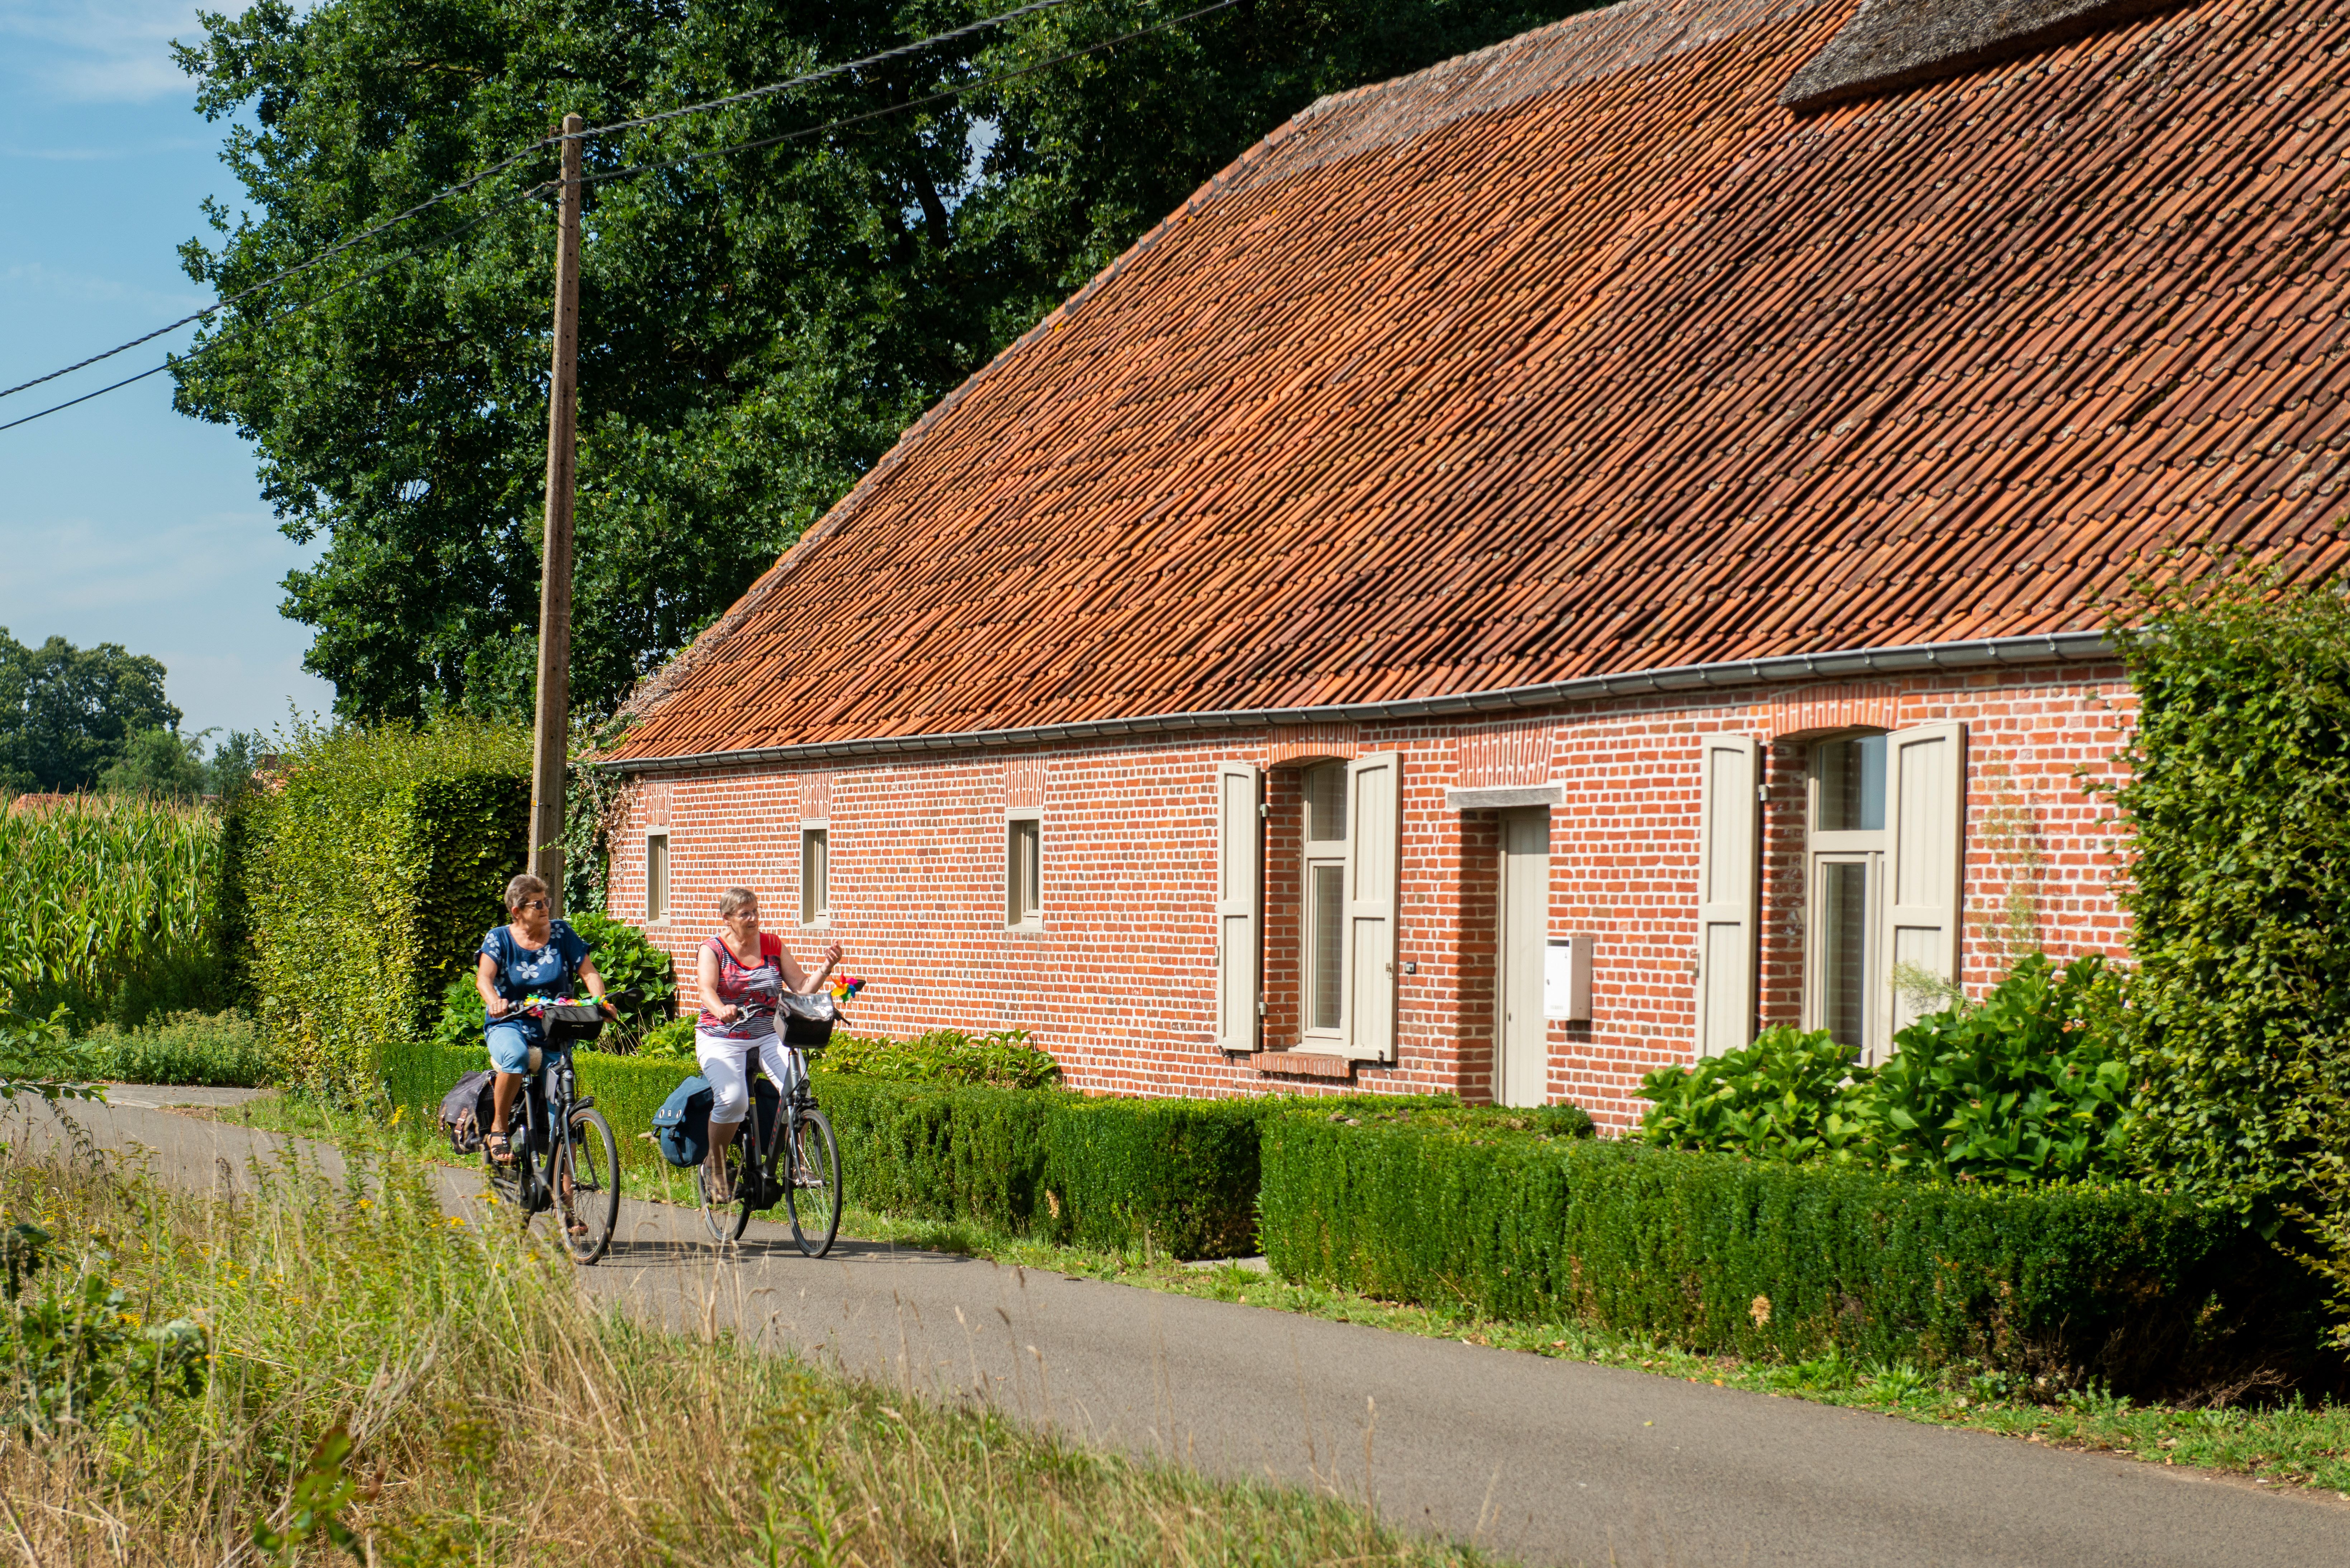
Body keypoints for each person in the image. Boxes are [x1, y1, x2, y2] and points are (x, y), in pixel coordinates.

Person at [696, 886, 840, 1202]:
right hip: (723, 1037)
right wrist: (721, 1009)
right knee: (733, 1100)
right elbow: (706, 990)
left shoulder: (772, 944)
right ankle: (715, 1166)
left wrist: (826, 968)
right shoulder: (713, 949)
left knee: (799, 1089)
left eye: (756, 911)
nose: (753, 918)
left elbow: (801, 987)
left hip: (768, 1034)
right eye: (745, 914)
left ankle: (797, 1165)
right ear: (727, 919)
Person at [476, 873, 615, 1167]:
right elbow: (484, 980)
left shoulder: (562, 934)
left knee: (563, 1113)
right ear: (517, 911)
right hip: (509, 1023)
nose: (545, 908)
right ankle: (498, 1129)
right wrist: (495, 1002)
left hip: (555, 1027)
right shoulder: (499, 938)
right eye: (537, 904)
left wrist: (600, 1001)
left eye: (546, 901)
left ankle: (566, 1202)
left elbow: (588, 973)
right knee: (516, 1055)